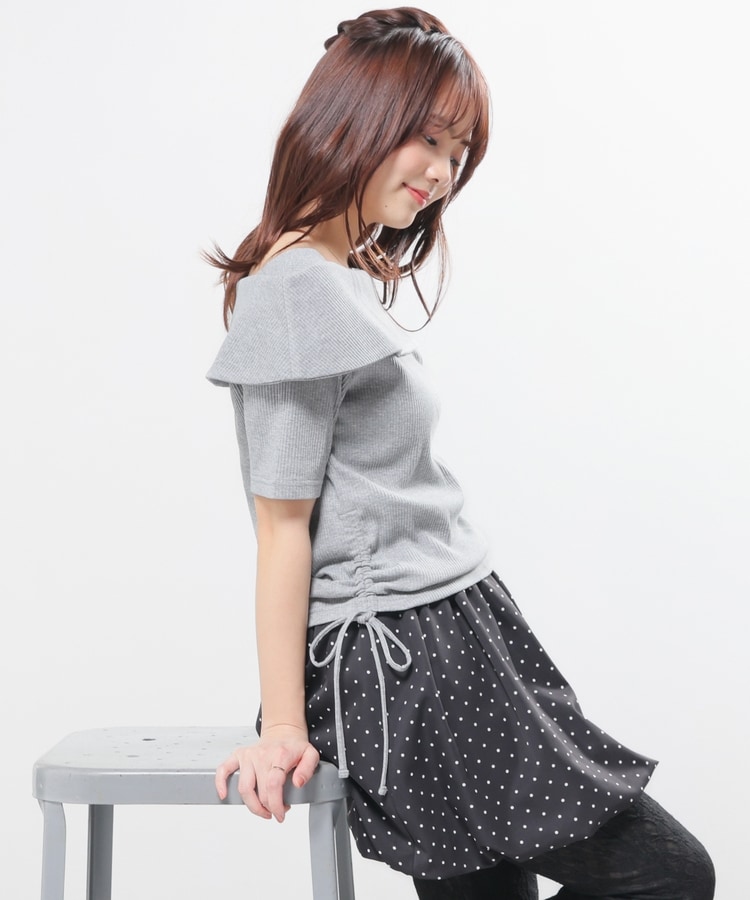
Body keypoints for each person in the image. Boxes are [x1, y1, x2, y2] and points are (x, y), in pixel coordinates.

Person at [206, 8, 715, 899]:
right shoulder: (295, 291)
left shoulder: (332, 278)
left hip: (452, 627)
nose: (442, 172)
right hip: (404, 653)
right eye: (429, 139)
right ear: (354, 117)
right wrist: (282, 725)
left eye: (459, 151)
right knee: (669, 876)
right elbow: (282, 527)